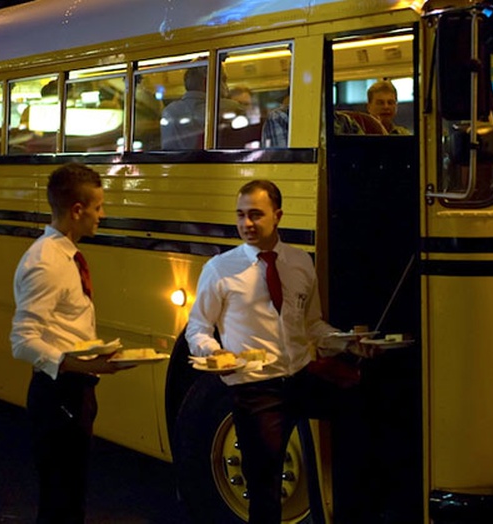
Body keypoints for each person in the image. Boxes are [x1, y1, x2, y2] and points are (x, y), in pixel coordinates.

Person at [186, 179, 353, 523]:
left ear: (277, 216)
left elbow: (312, 326)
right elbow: (198, 328)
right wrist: (214, 354)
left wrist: (349, 343)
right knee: (265, 487)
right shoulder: (220, 269)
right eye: (241, 215)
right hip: (255, 387)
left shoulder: (300, 262)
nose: (247, 224)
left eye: (256, 215)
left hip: (302, 377)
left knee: (363, 414)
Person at [10, 162, 133, 523]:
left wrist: (94, 353)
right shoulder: (47, 262)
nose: (102, 215)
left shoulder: (66, 256)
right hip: (58, 396)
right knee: (60, 502)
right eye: (98, 207)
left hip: (73, 391)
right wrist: (81, 364)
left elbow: (60, 329)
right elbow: (22, 340)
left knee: (70, 497)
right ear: (77, 211)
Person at [160, 66, 243, 150]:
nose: (227, 87)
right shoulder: (230, 107)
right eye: (223, 80)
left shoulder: (169, 111)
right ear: (207, 82)